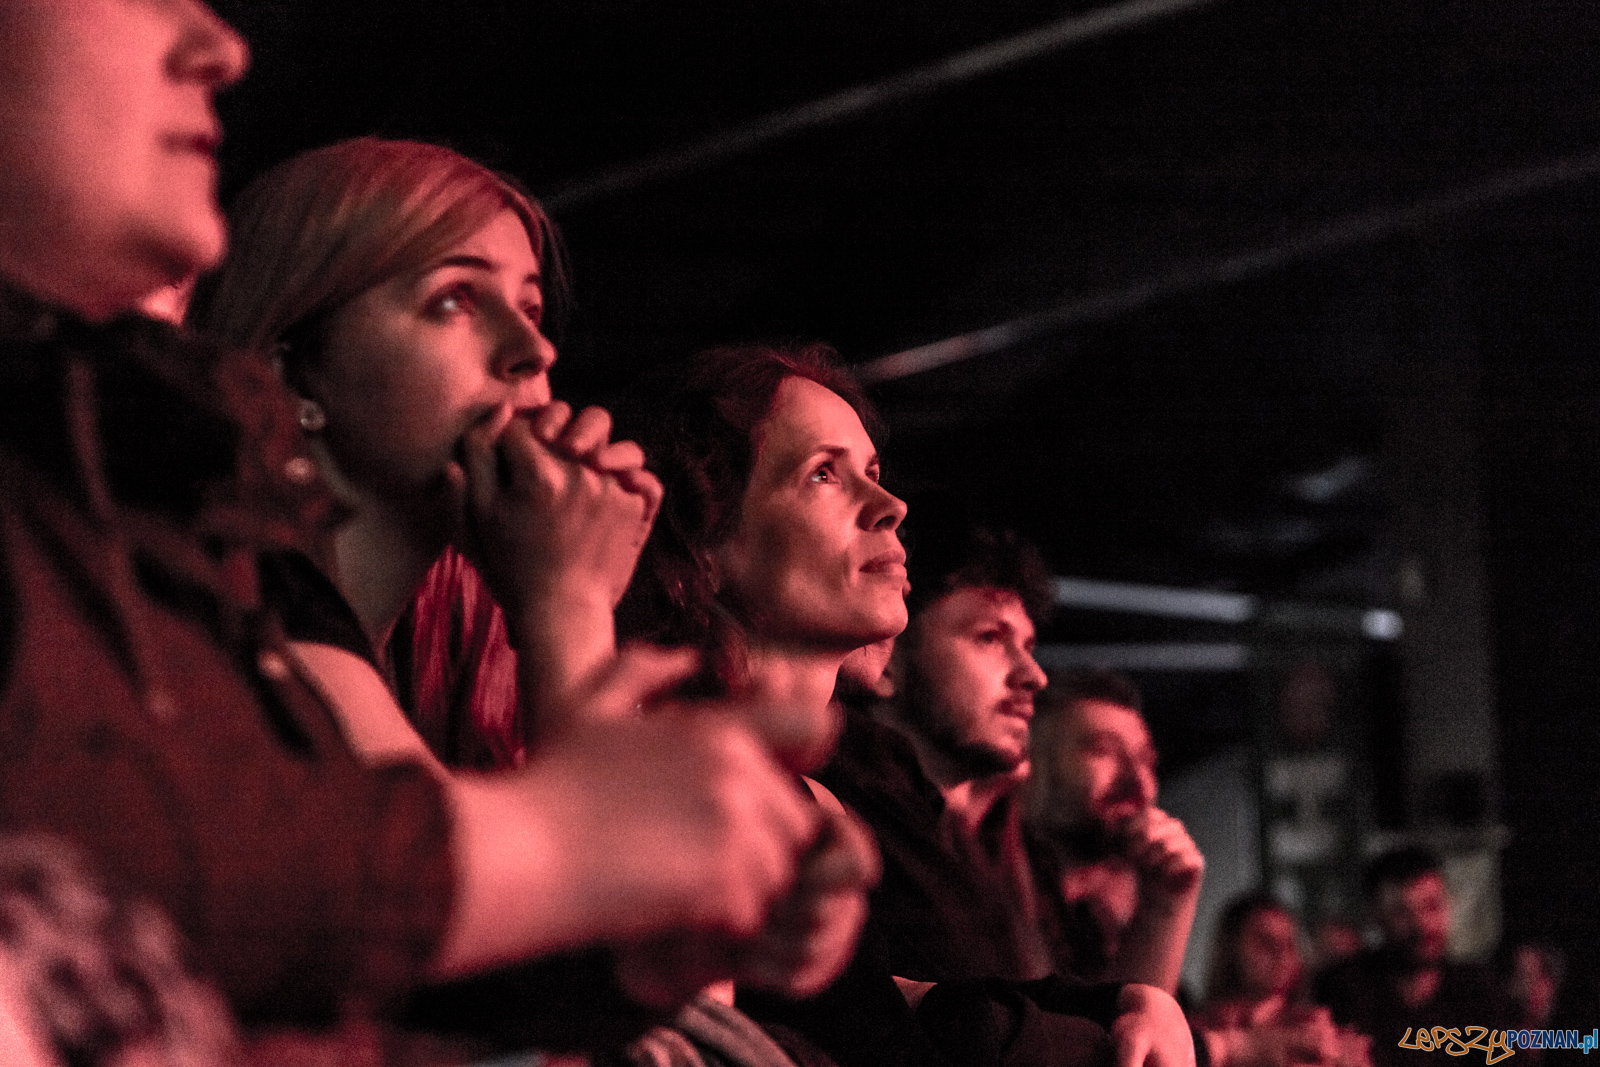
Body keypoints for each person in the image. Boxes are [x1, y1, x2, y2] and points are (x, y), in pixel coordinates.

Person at [0, 0, 828, 1051]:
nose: (531, 352)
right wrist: (567, 628)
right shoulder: (237, 568)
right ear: (296, 370)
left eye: (533, 307)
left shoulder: (177, 541)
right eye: (452, 302)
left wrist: (657, 923)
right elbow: (142, 849)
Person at [741, 499, 1193, 1067]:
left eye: (1027, 646)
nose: (1033, 675)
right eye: (988, 638)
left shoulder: (978, 849)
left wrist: (1155, 941)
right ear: (889, 658)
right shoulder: (850, 814)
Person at [1025, 670, 1205, 994]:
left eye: (1146, 760)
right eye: (1104, 751)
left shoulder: (1113, 911)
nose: (1138, 781)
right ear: (1028, 762)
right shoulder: (986, 894)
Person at [1313, 849, 1509, 1067]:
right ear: (1375, 914)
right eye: (1401, 912)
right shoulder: (1343, 989)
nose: (1421, 925)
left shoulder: (1478, 990)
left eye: (1431, 906)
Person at [1197, 894, 1371, 1067]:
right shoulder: (1198, 1033)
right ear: (1231, 949)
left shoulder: (1317, 1030)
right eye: (1265, 941)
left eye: (1288, 942)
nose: (1280, 952)